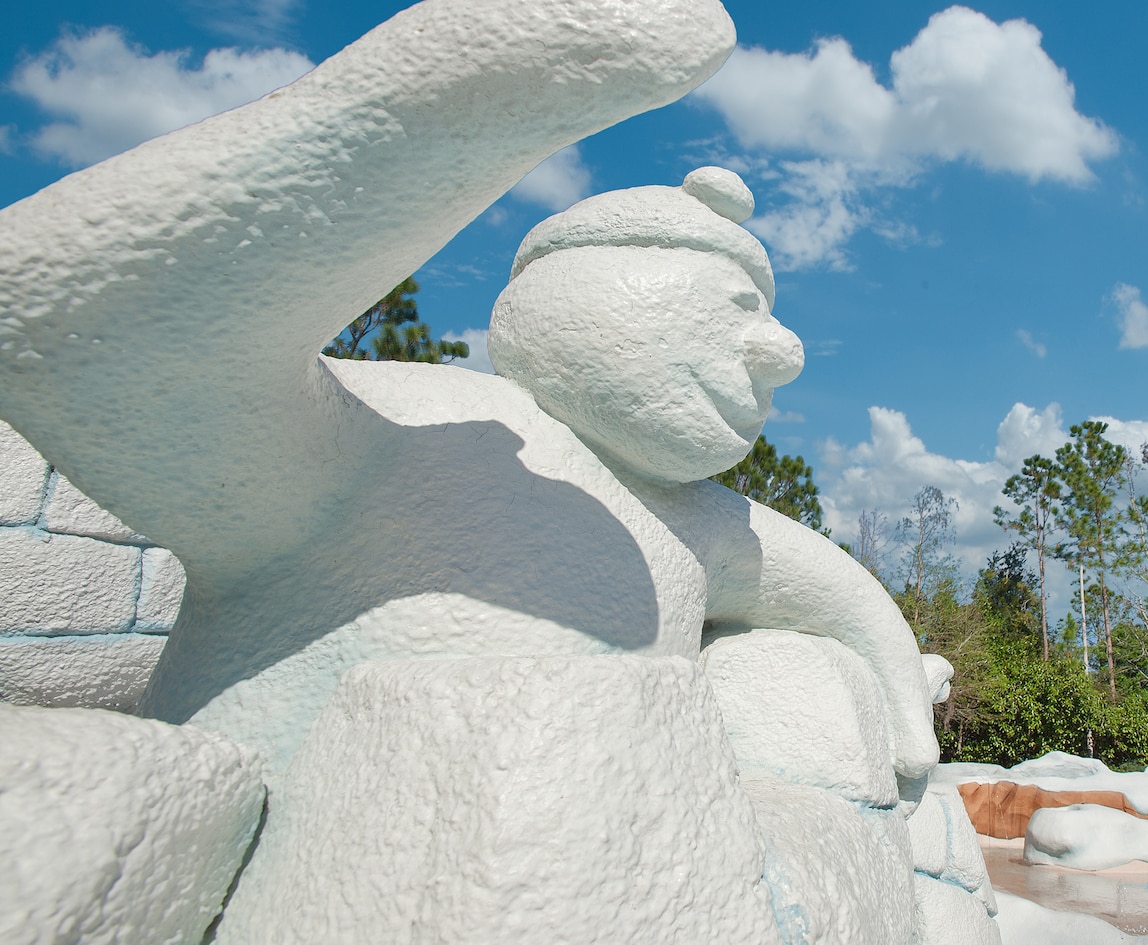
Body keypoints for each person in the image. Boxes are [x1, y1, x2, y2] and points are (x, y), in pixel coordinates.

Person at [0, 0, 938, 783]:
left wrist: (901, 699)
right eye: (740, 304)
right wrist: (473, 86)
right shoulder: (416, 428)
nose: (783, 355)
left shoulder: (698, 524)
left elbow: (841, 593)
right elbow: (74, 326)